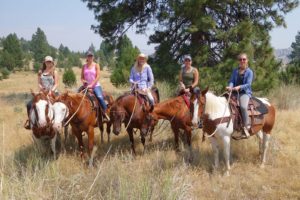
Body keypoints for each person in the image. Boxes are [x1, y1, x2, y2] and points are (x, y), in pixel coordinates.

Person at [24, 55, 59, 129]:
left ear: (52, 63)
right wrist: (41, 88)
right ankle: (30, 122)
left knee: (60, 105)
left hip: (52, 92)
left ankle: (59, 122)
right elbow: (39, 83)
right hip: (42, 92)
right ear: (45, 62)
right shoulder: (41, 72)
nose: (48, 63)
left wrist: (51, 91)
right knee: (29, 104)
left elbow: (56, 84)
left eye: (50, 62)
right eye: (47, 62)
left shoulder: (54, 72)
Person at [226, 53, 254, 138]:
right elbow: (231, 81)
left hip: (245, 93)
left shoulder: (249, 72)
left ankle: (246, 126)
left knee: (243, 107)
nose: (242, 61)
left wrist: (239, 87)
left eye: (244, 59)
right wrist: (230, 86)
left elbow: (248, 84)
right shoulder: (235, 70)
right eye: (240, 59)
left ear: (247, 60)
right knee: (225, 103)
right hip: (234, 92)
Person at [81, 50, 110, 121]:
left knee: (100, 97)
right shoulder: (84, 66)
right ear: (86, 57)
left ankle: (105, 113)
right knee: (77, 96)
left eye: (91, 56)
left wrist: (91, 85)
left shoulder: (96, 65)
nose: (90, 57)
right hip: (86, 86)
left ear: (93, 57)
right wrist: (84, 82)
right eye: (88, 56)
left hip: (96, 86)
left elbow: (98, 76)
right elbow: (82, 77)